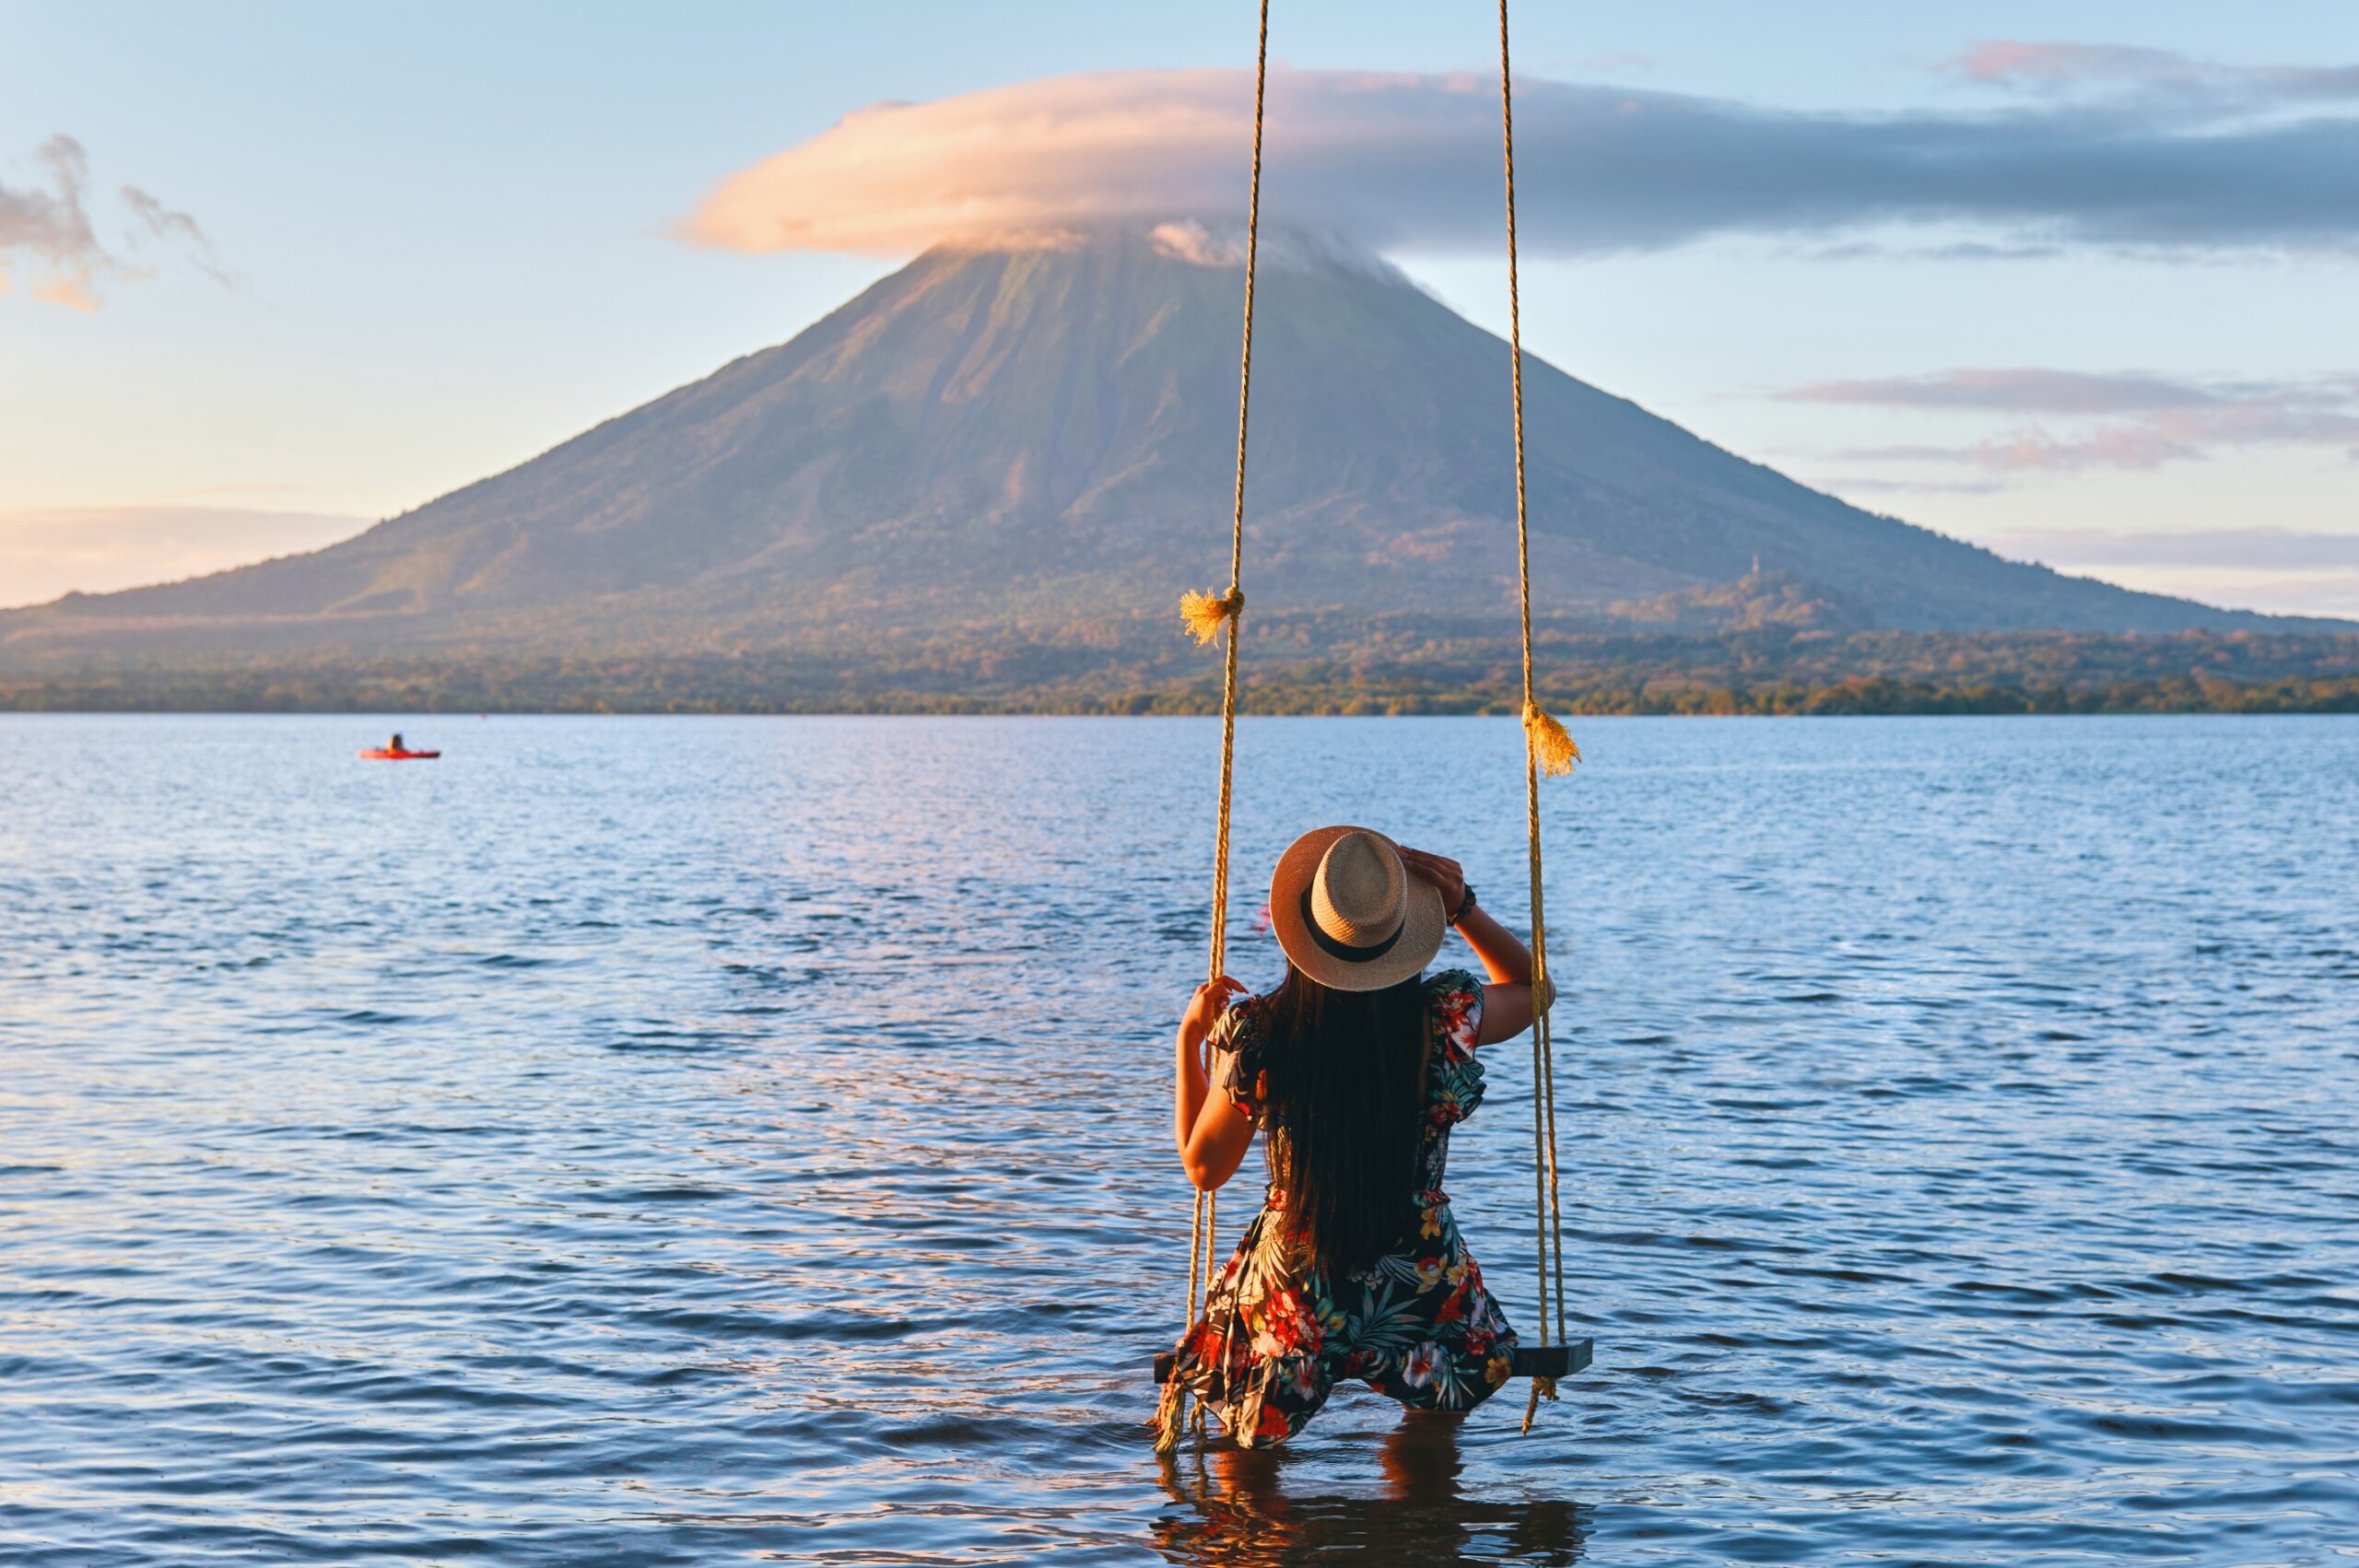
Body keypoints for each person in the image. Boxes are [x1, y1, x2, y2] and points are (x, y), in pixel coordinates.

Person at [1162, 825, 1543, 1448]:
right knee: (1433, 1432)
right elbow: (1534, 989)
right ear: (1404, 937)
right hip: (1418, 1279)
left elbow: (1204, 1170)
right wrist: (1466, 909)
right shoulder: (1444, 1017)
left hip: (1296, 1288)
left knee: (1248, 1451)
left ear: (1304, 935)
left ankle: (1262, 1524)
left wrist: (1188, 1044)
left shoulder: (1259, 1031)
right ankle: (1418, 1520)